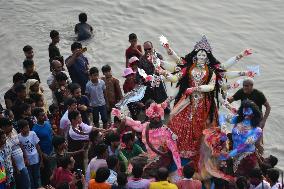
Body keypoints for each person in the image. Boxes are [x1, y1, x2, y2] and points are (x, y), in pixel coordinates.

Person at [112, 99, 182, 177]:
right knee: (132, 162)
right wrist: (121, 116)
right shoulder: (146, 125)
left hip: (161, 158)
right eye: (153, 118)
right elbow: (133, 124)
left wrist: (179, 168)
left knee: (147, 170)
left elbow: (174, 151)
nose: (156, 120)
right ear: (150, 118)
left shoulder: (166, 131)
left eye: (158, 118)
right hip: (149, 156)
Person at [220, 100, 263, 176]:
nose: (245, 112)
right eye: (244, 108)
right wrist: (223, 132)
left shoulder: (257, 131)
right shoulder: (238, 119)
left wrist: (228, 155)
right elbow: (222, 116)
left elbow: (243, 146)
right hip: (234, 154)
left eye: (248, 109)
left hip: (246, 158)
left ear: (254, 113)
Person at [0, 117, 31, 189]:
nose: (12, 127)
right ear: (3, 127)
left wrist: (25, 157)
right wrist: (15, 168)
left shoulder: (13, 131)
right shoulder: (3, 140)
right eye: (9, 125)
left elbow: (19, 144)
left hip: (19, 164)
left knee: (26, 183)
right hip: (8, 172)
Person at [18, 119, 43, 189]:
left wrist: (41, 158)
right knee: (30, 178)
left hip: (35, 159)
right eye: (26, 128)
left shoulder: (33, 133)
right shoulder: (19, 137)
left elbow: (37, 146)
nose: (28, 129)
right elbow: (22, 150)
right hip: (27, 161)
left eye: (28, 127)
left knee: (37, 176)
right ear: (21, 129)